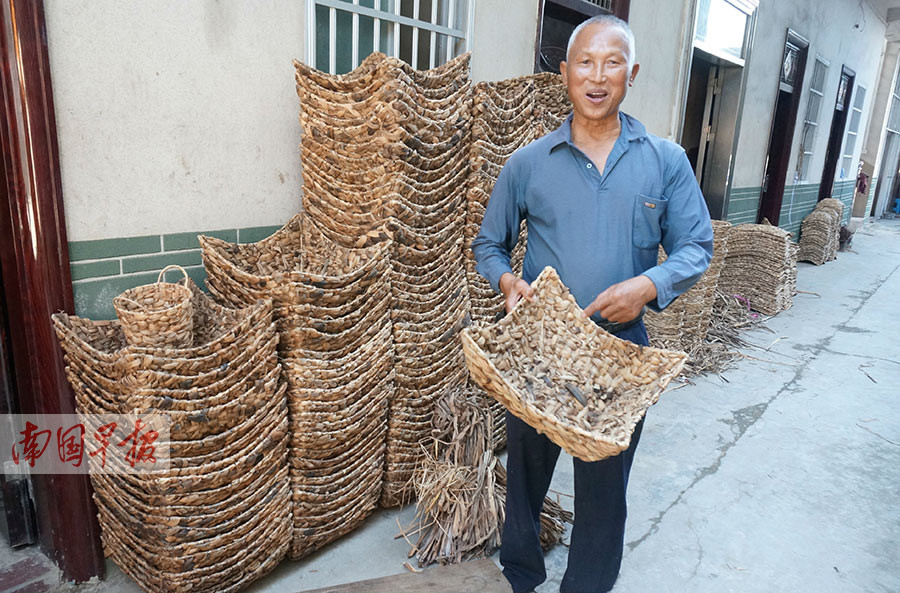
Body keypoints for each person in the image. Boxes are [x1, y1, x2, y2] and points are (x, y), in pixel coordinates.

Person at [471, 14, 714, 593]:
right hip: (540, 352)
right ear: (564, 73)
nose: (597, 76)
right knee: (526, 479)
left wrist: (648, 286)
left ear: (632, 73)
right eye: (585, 62)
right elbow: (490, 244)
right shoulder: (529, 163)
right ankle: (521, 578)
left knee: (604, 491)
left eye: (612, 63)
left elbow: (695, 245)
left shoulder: (664, 160)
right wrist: (507, 282)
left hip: (619, 357)